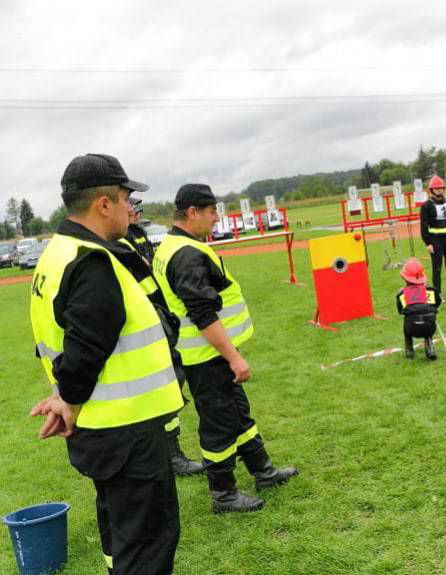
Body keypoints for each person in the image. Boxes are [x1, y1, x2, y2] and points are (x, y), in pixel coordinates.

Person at [29, 153, 184, 574]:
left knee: (122, 537)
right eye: (124, 198)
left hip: (102, 431)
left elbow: (62, 342)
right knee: (148, 545)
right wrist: (69, 399)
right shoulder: (93, 262)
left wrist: (65, 396)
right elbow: (85, 349)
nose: (129, 209)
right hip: (126, 434)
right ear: (103, 204)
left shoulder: (57, 253)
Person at [152, 184, 298, 514]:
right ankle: (223, 493)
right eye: (211, 211)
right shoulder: (186, 255)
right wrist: (234, 357)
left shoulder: (172, 245)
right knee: (218, 425)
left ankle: (263, 472)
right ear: (192, 213)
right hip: (207, 357)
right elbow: (202, 313)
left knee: (239, 414)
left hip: (208, 355)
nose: (217, 218)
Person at [117, 199, 205, 478]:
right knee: (160, 392)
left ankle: (169, 453)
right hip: (145, 324)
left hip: (158, 319)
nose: (135, 211)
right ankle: (171, 456)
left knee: (170, 388)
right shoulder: (118, 241)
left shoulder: (137, 233)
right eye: (130, 204)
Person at [396, 258, 442, 360]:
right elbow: (437, 304)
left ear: (405, 278)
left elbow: (400, 311)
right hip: (430, 328)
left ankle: (409, 348)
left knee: (406, 319)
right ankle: (429, 346)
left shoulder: (402, 293)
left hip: (412, 328)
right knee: (428, 317)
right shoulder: (431, 290)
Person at [123, 197, 155, 263]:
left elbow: (150, 251)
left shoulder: (141, 231)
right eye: (134, 214)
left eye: (138, 212)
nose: (137, 216)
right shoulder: (122, 233)